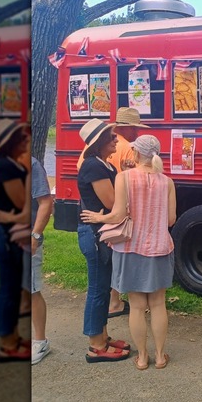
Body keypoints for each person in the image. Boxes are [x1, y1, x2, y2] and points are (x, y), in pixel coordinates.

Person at [82, 134, 176, 371]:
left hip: (131, 248)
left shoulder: (124, 177)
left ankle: (143, 358)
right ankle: (161, 356)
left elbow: (118, 215)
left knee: (136, 306)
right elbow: (171, 219)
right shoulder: (167, 182)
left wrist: (98, 217)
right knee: (158, 304)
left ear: (135, 153)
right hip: (160, 248)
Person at [76, 118, 131, 363]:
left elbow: (114, 201)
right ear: (98, 142)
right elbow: (112, 203)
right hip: (94, 235)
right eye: (111, 136)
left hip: (101, 232)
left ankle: (103, 336)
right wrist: (114, 211)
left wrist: (127, 174)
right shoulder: (93, 166)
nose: (116, 139)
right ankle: (95, 346)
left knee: (104, 288)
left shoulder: (104, 165)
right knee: (98, 291)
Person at [0, 156, 54, 364]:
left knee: (31, 289)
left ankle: (40, 341)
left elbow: (45, 202)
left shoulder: (31, 164)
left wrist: (35, 235)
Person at [0, 119, 30, 362]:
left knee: (12, 288)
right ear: (11, 143)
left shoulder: (11, 163)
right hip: (5, 235)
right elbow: (20, 202)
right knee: (8, 290)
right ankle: (7, 344)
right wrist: (17, 215)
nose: (26, 139)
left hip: (10, 230)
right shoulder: (5, 167)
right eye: (21, 138)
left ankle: (12, 336)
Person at [106, 107, 149, 318]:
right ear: (129, 128)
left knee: (109, 256)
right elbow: (135, 182)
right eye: (136, 129)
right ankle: (117, 300)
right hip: (122, 208)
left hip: (104, 206)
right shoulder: (128, 148)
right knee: (122, 255)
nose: (138, 133)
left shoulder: (98, 147)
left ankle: (112, 300)